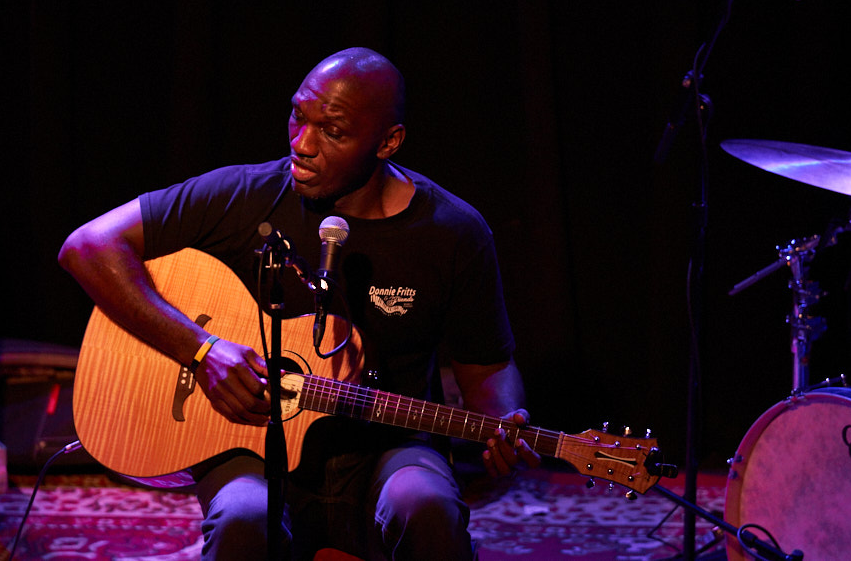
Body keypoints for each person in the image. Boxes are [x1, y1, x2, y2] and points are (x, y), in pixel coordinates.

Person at [58, 47, 539, 560]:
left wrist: (502, 420)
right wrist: (201, 350)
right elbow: (87, 247)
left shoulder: (454, 232)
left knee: (425, 506)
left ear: (388, 141)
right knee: (242, 518)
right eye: (297, 115)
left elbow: (487, 365)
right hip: (251, 445)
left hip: (388, 450)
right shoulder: (243, 195)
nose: (301, 144)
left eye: (332, 132)